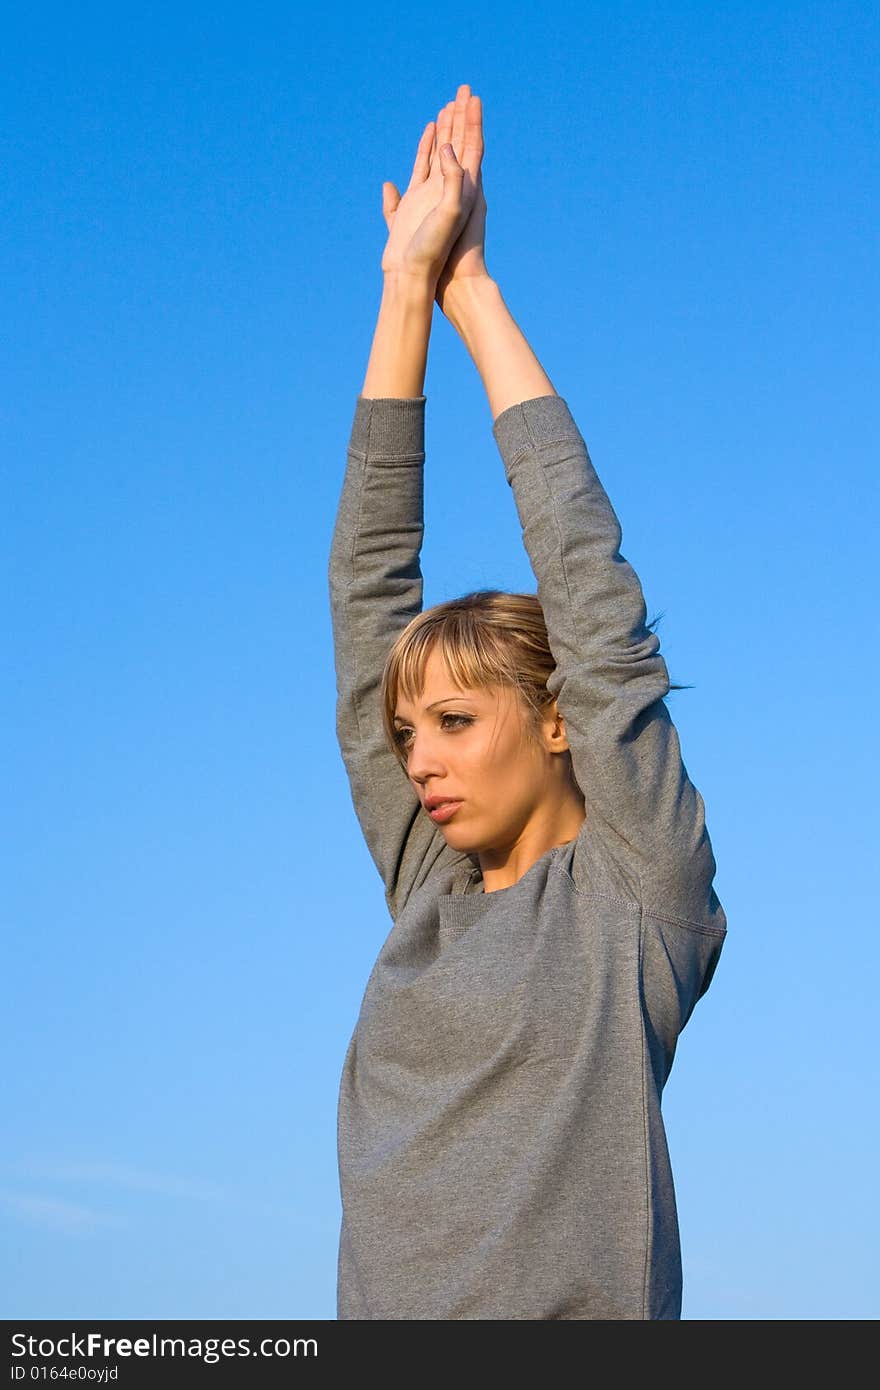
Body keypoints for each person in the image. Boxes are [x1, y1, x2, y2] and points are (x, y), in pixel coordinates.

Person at [327, 83, 727, 1320]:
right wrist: (401, 295)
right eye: (405, 734)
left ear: (559, 720)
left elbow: (591, 597)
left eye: (454, 721)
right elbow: (365, 590)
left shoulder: (636, 896)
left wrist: (471, 297)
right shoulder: (428, 893)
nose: (419, 759)